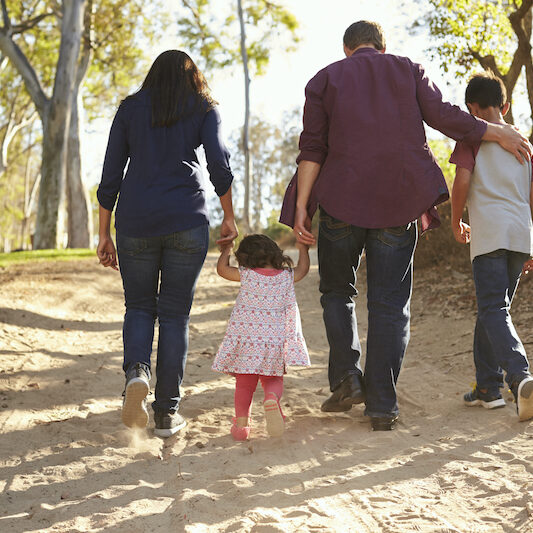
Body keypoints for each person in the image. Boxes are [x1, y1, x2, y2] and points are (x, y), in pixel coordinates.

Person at [285, 20, 532, 431]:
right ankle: (382, 405)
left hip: (340, 202)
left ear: (348, 49)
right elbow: (443, 116)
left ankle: (348, 376)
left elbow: (311, 149)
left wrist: (300, 209)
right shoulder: (407, 69)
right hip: (399, 203)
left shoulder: (325, 78)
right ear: (383, 47)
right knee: (390, 305)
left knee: (337, 291)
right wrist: (494, 132)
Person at [96, 50, 238, 438]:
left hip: (136, 222)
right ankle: (166, 414)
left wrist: (103, 232)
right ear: (193, 77)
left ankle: (136, 373)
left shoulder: (130, 108)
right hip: (186, 221)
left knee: (139, 307)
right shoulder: (205, 108)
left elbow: (111, 173)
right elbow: (219, 165)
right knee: (175, 315)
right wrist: (228, 215)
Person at [450, 72, 533, 421]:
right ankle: (487, 387)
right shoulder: (525, 143)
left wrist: (455, 221)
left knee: (493, 309)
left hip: (490, 236)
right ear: (506, 105)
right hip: (520, 236)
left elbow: (462, 180)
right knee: (493, 309)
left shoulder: (471, 138)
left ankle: (520, 378)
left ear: (471, 108)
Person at [213, 235, 311, 440]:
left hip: (247, 340)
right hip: (274, 340)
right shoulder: (286, 276)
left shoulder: (247, 275)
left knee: (244, 383)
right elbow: (302, 270)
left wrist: (226, 250)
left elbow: (222, 270)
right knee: (273, 378)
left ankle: (241, 425)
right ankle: (272, 399)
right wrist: (303, 249)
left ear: (245, 258)